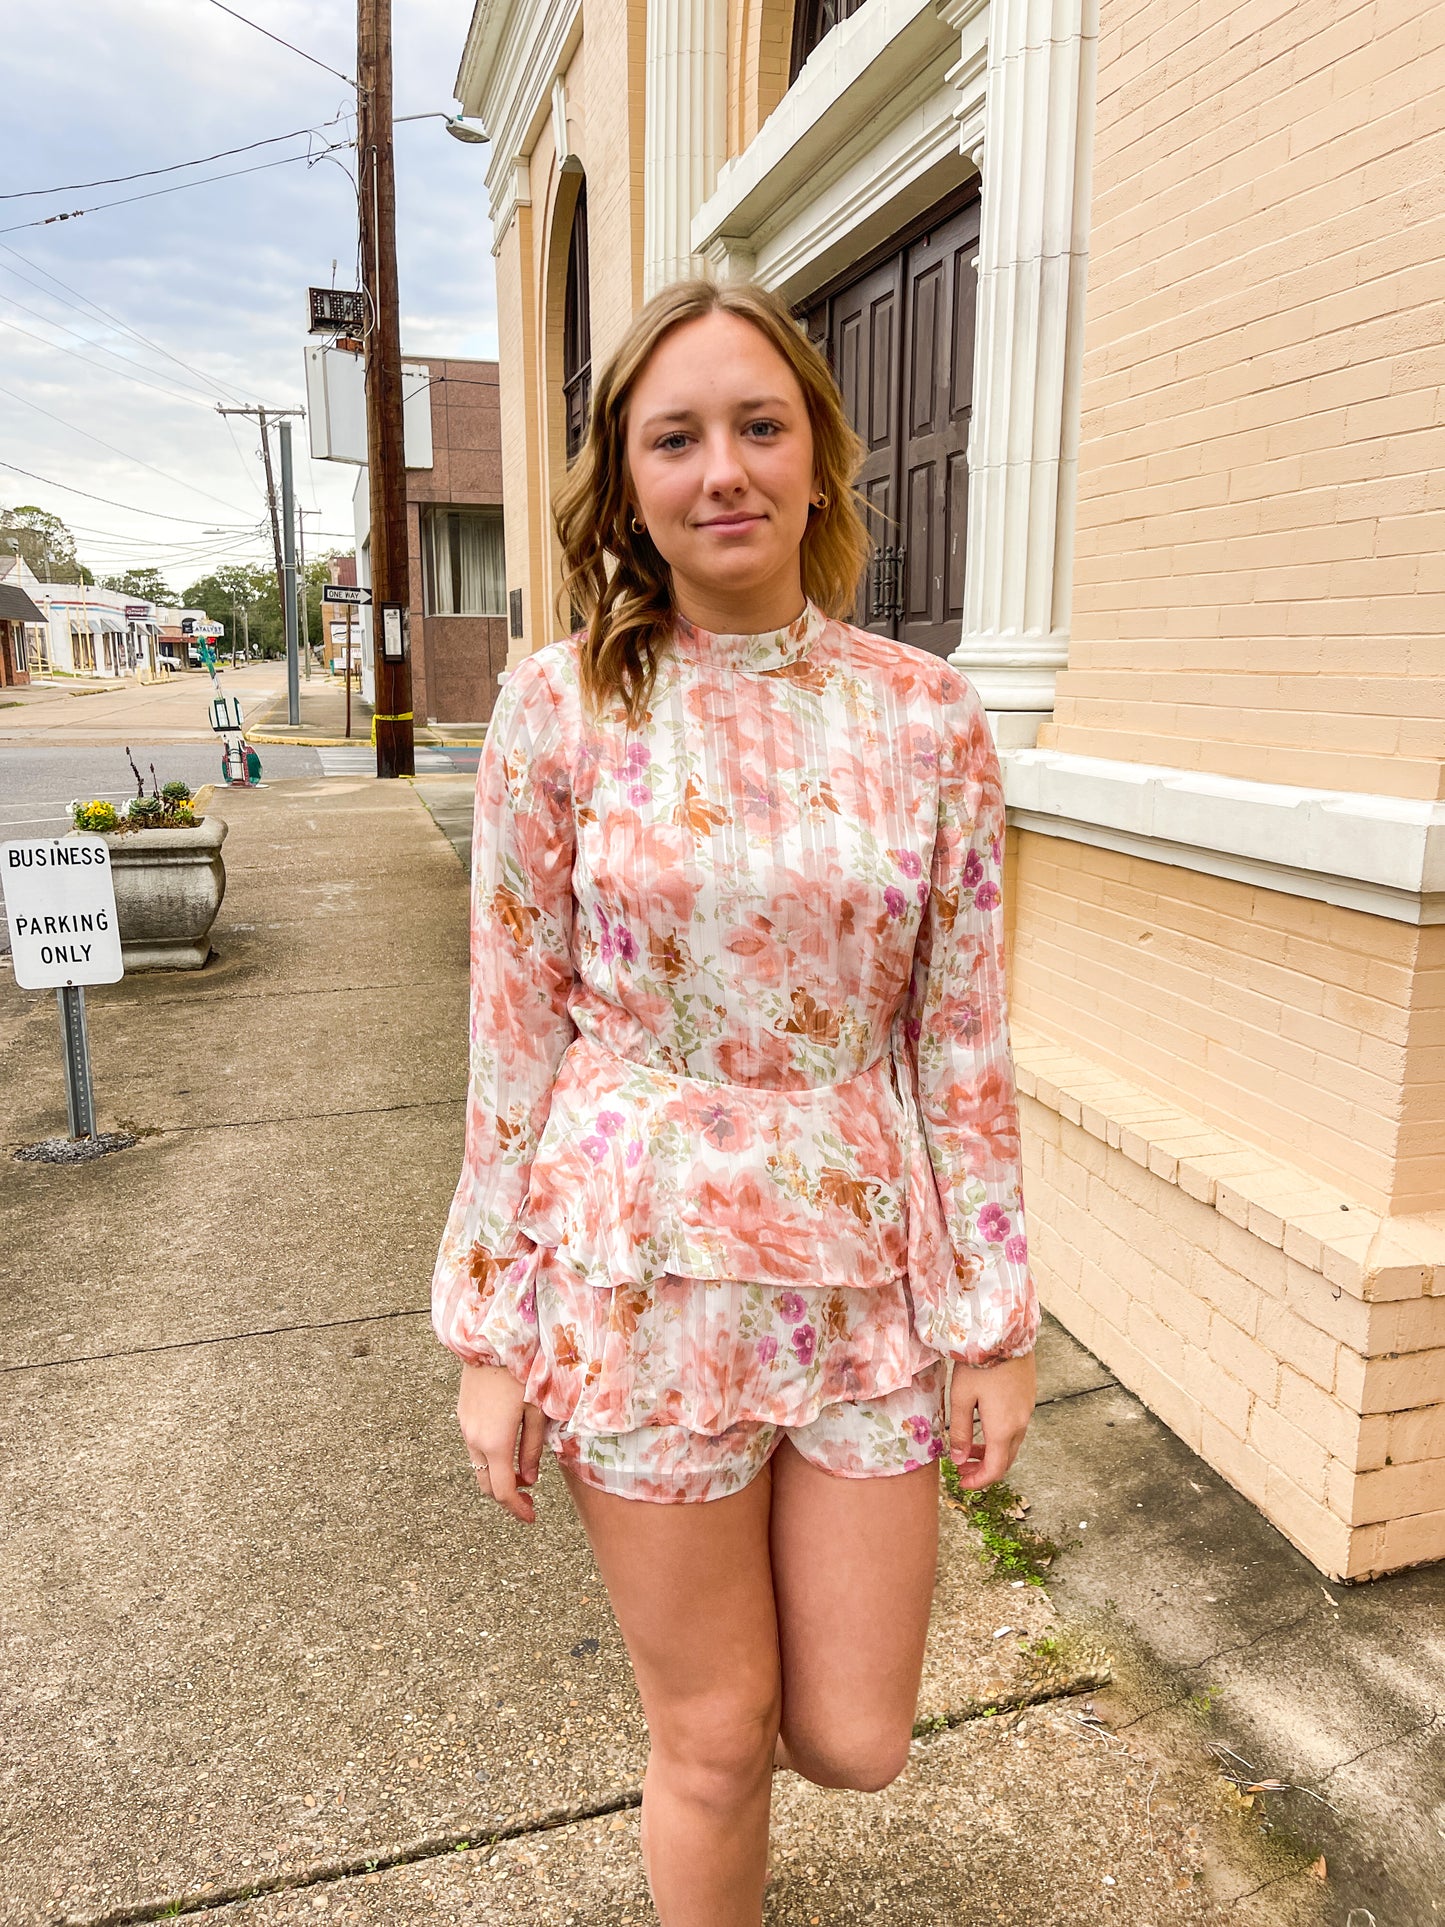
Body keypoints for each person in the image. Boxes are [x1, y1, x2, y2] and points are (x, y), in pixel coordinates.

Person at [433, 277, 1039, 1927]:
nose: (723, 470)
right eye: (675, 436)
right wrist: (495, 1334)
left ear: (817, 459)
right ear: (626, 481)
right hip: (640, 1273)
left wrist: (991, 1320)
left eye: (757, 426)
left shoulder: (929, 719)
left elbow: (960, 1037)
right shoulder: (563, 708)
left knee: (851, 1738)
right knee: (713, 1735)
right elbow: (511, 1038)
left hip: (860, 1261)